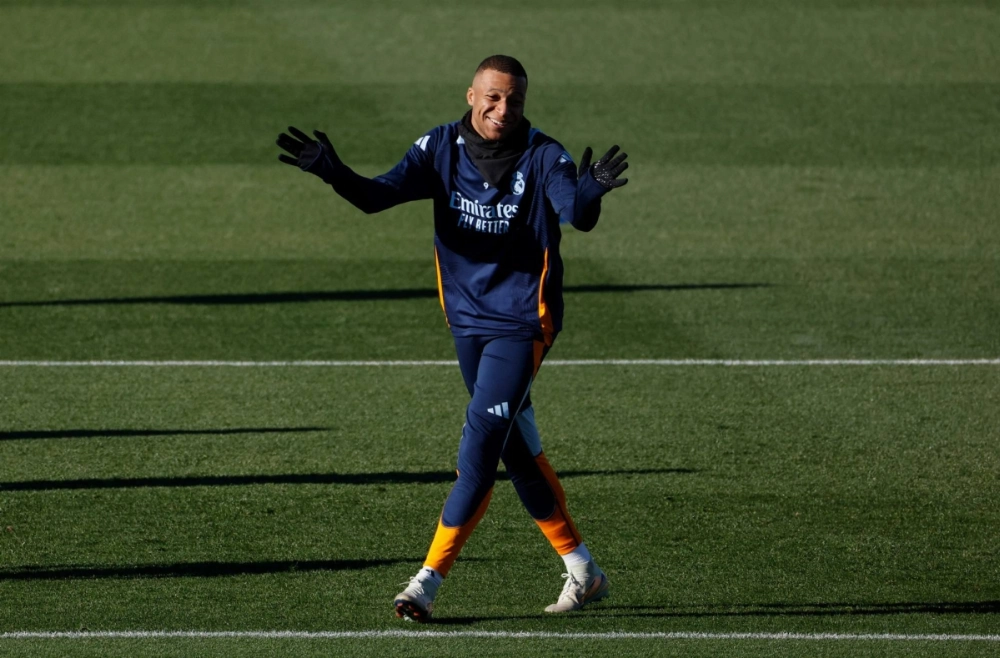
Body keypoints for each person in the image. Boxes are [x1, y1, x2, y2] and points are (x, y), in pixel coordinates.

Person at [276, 54, 628, 621]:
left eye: (513, 99)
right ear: (471, 95)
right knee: (515, 448)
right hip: (466, 321)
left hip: (522, 322)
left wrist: (591, 192)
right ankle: (584, 571)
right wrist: (331, 171)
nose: (502, 109)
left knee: (482, 442)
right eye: (492, 97)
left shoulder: (544, 154)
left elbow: (576, 215)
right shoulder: (438, 147)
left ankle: (427, 582)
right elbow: (375, 196)